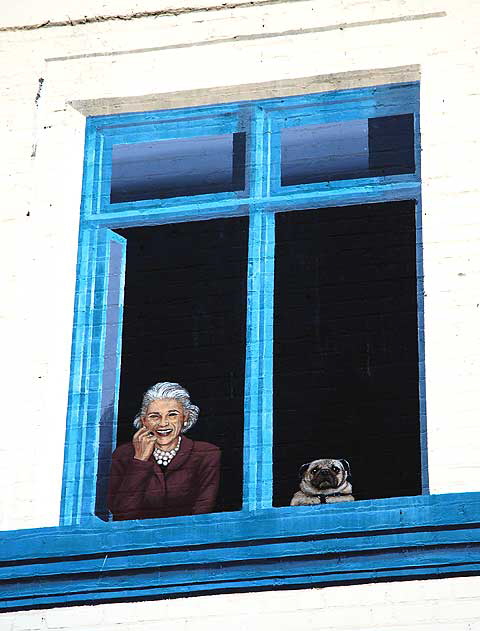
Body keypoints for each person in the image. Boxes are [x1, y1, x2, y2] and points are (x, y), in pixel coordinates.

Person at [108, 381, 220, 520]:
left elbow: (203, 511)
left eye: (172, 415)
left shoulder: (206, 454)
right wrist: (140, 460)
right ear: (144, 421)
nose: (163, 423)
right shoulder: (123, 455)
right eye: (154, 416)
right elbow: (122, 514)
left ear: (185, 418)